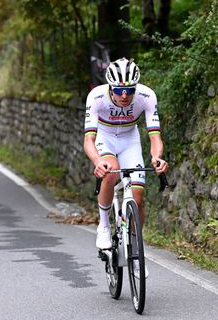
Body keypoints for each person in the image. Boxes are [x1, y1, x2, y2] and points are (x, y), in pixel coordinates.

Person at [83, 57, 168, 278]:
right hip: (105, 137)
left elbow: (155, 136)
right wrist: (97, 161)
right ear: (110, 87)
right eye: (119, 90)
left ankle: (136, 253)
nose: (124, 96)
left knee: (138, 198)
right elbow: (88, 141)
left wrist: (157, 158)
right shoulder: (97, 97)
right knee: (110, 172)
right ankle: (103, 225)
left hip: (130, 140)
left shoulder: (146, 96)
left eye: (129, 90)